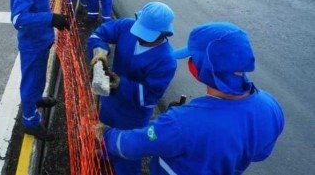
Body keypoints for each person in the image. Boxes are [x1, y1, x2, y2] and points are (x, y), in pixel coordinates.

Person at [99, 22, 285, 175]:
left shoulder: (182, 122)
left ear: (203, 67)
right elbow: (260, 154)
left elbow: (133, 145)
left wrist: (106, 135)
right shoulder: (271, 108)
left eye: (192, 58)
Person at [88, 1, 177, 175]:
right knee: (106, 132)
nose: (140, 36)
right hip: (110, 102)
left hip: (132, 115)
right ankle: (107, 155)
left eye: (146, 34)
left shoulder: (166, 60)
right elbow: (98, 35)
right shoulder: (127, 26)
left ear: (164, 33)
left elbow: (149, 96)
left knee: (127, 152)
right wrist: (99, 52)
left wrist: (121, 84)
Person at [10, 0, 70, 141]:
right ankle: (30, 122)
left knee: (38, 79)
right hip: (32, 44)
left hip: (40, 40)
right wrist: (51, 17)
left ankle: (36, 99)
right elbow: (18, 18)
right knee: (31, 81)